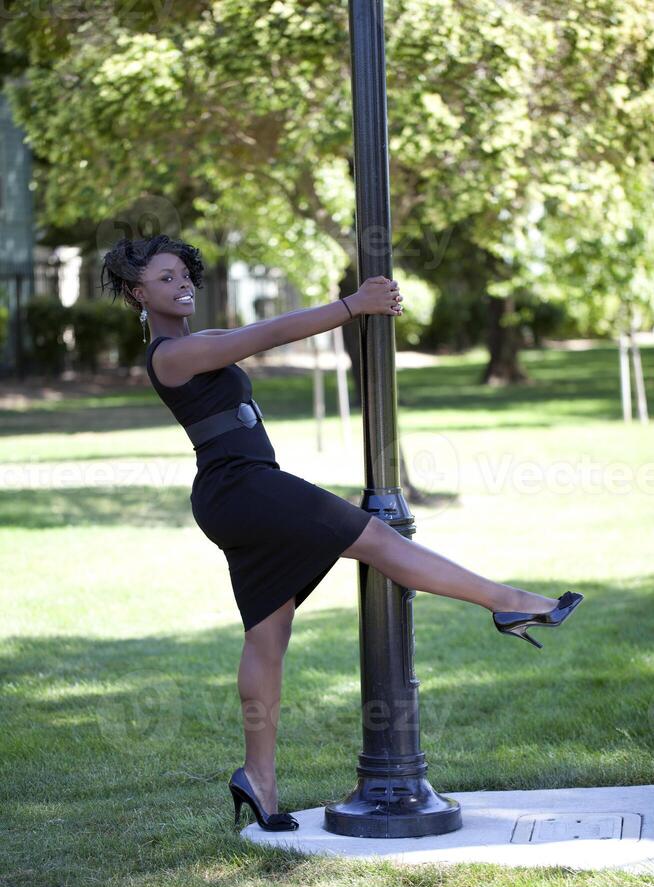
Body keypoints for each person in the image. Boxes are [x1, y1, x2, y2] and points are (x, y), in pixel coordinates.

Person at [100, 234, 583, 833]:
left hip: (240, 490)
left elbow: (240, 341)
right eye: (166, 278)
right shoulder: (169, 355)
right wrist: (354, 305)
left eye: (184, 274)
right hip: (243, 488)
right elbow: (268, 335)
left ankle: (258, 779)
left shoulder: (196, 343)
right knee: (380, 542)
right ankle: (510, 603)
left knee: (267, 636)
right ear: (136, 292)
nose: (183, 284)